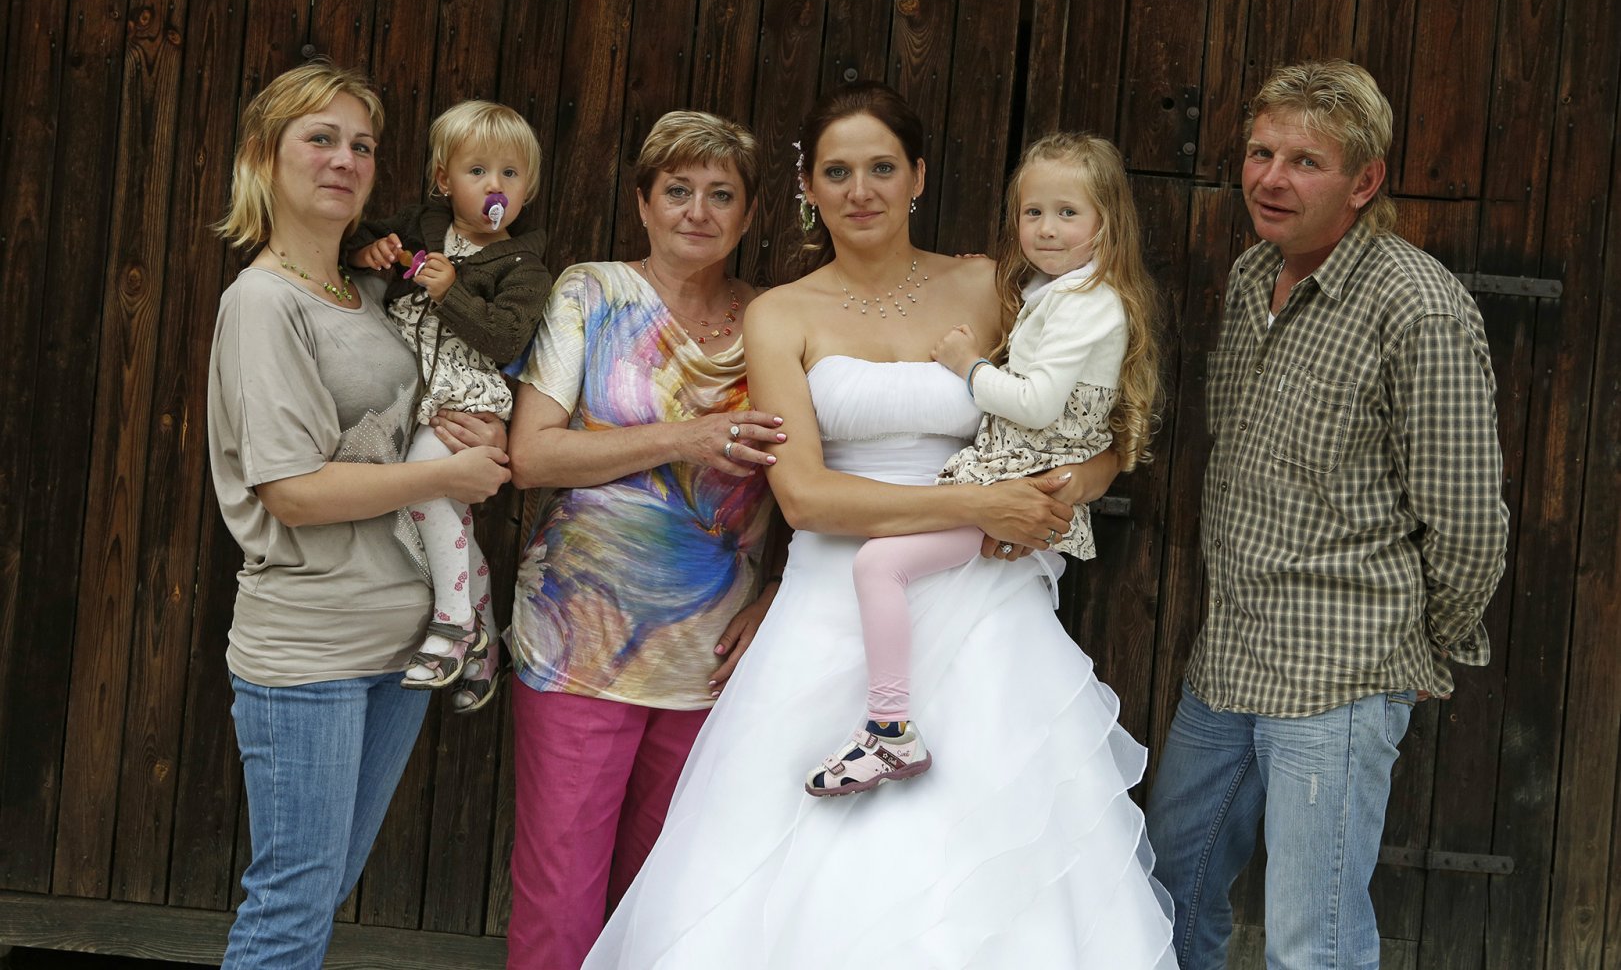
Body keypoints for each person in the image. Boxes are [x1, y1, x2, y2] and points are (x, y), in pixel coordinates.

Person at [584, 82, 1175, 968]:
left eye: (881, 168)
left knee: (985, 840)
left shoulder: (989, 285)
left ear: (917, 177)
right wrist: (976, 505)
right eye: (836, 172)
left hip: (983, 595)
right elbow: (805, 498)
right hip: (835, 592)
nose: (860, 190)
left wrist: (1067, 489)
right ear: (808, 188)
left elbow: (1095, 423)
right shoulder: (780, 313)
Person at [1145, 60, 1510, 969]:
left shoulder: (1416, 308)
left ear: (1364, 180)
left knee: (1313, 944)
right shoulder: (1250, 276)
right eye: (1260, 153)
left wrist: (1420, 645)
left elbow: (1467, 520)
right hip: (1228, 659)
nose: (1270, 179)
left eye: (1305, 161)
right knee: (1162, 897)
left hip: (1339, 671)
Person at [205, 60, 511, 969]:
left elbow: (425, 408)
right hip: (312, 646)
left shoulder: (370, 294)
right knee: (290, 906)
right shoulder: (262, 302)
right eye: (320, 138)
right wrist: (447, 478)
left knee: (325, 888)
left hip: (400, 641)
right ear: (264, 156)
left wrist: (472, 429)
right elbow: (293, 493)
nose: (344, 159)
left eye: (362, 145)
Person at [503, 110, 785, 970]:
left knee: (666, 902)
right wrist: (683, 439)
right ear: (642, 202)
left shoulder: (775, 322)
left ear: (748, 214)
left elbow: (819, 474)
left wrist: (780, 591)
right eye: (677, 190)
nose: (697, 211)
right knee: (560, 896)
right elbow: (532, 455)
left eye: (720, 195)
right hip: (579, 639)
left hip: (713, 656)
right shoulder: (591, 294)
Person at [805, 131, 1161, 796]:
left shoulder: (1086, 305)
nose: (1046, 229)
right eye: (1033, 212)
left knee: (878, 564)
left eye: (1067, 213)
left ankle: (888, 731)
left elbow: (1036, 403)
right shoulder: (1049, 292)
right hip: (1000, 478)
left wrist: (966, 365)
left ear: (1106, 223)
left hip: (1016, 486)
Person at [347, 100, 551, 712]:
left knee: (425, 488)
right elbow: (358, 234)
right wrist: (367, 252)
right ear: (444, 180)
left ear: (527, 189)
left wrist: (453, 292)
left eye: (510, 174)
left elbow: (506, 338)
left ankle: (454, 621)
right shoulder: (422, 225)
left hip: (465, 401)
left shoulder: (523, 266)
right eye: (477, 171)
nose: (495, 186)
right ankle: (484, 646)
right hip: (412, 398)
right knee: (441, 517)